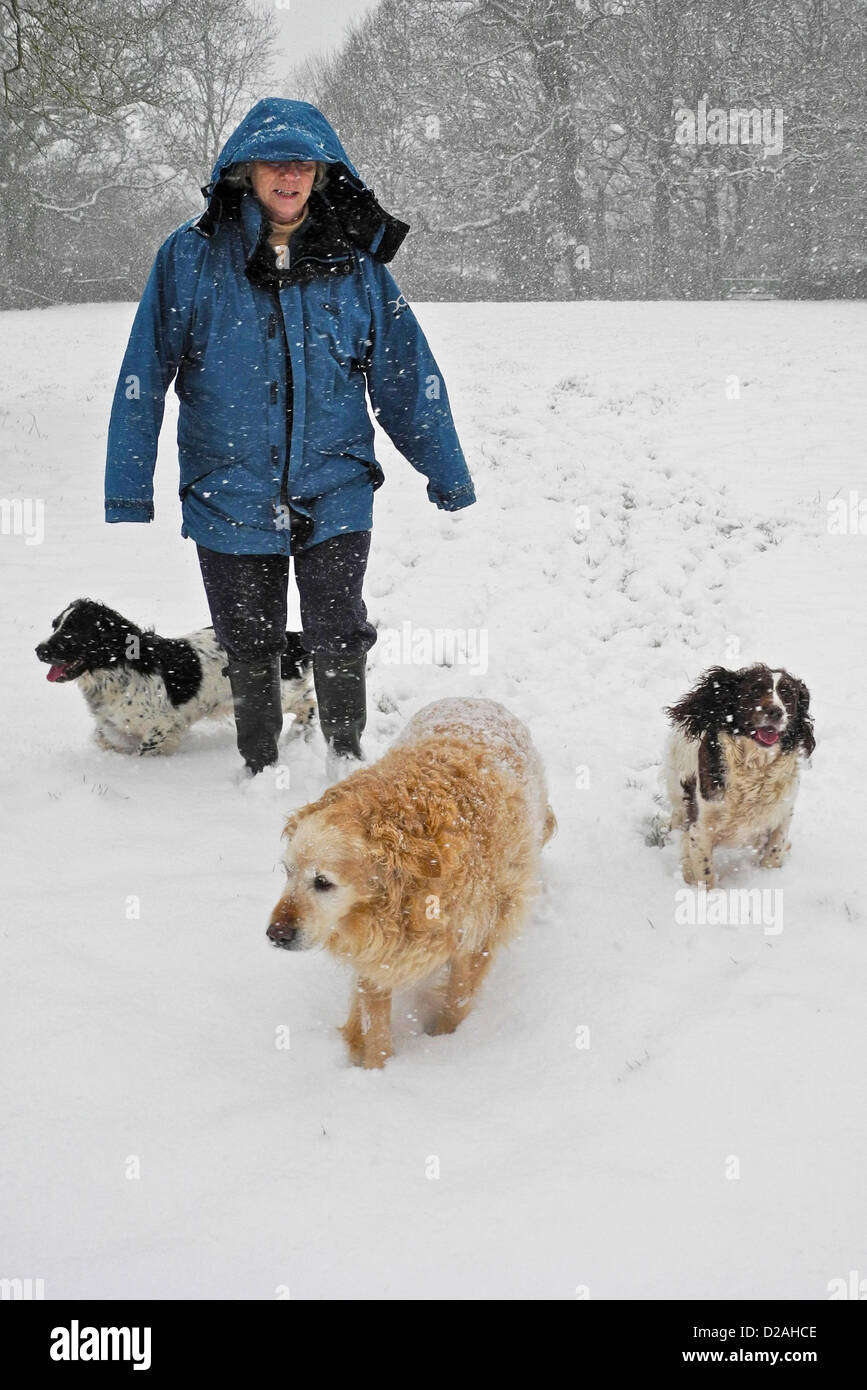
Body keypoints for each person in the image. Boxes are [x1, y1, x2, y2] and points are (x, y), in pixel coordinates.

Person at [104, 98, 476, 779]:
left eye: (301, 163)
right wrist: (128, 486)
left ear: (321, 172)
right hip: (227, 489)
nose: (287, 175)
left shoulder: (355, 263)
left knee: (339, 629)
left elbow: (404, 372)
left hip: (334, 484)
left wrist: (444, 470)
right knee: (248, 640)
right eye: (274, 162)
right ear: (245, 171)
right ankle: (260, 765)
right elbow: (145, 369)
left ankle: (344, 756)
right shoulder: (190, 258)